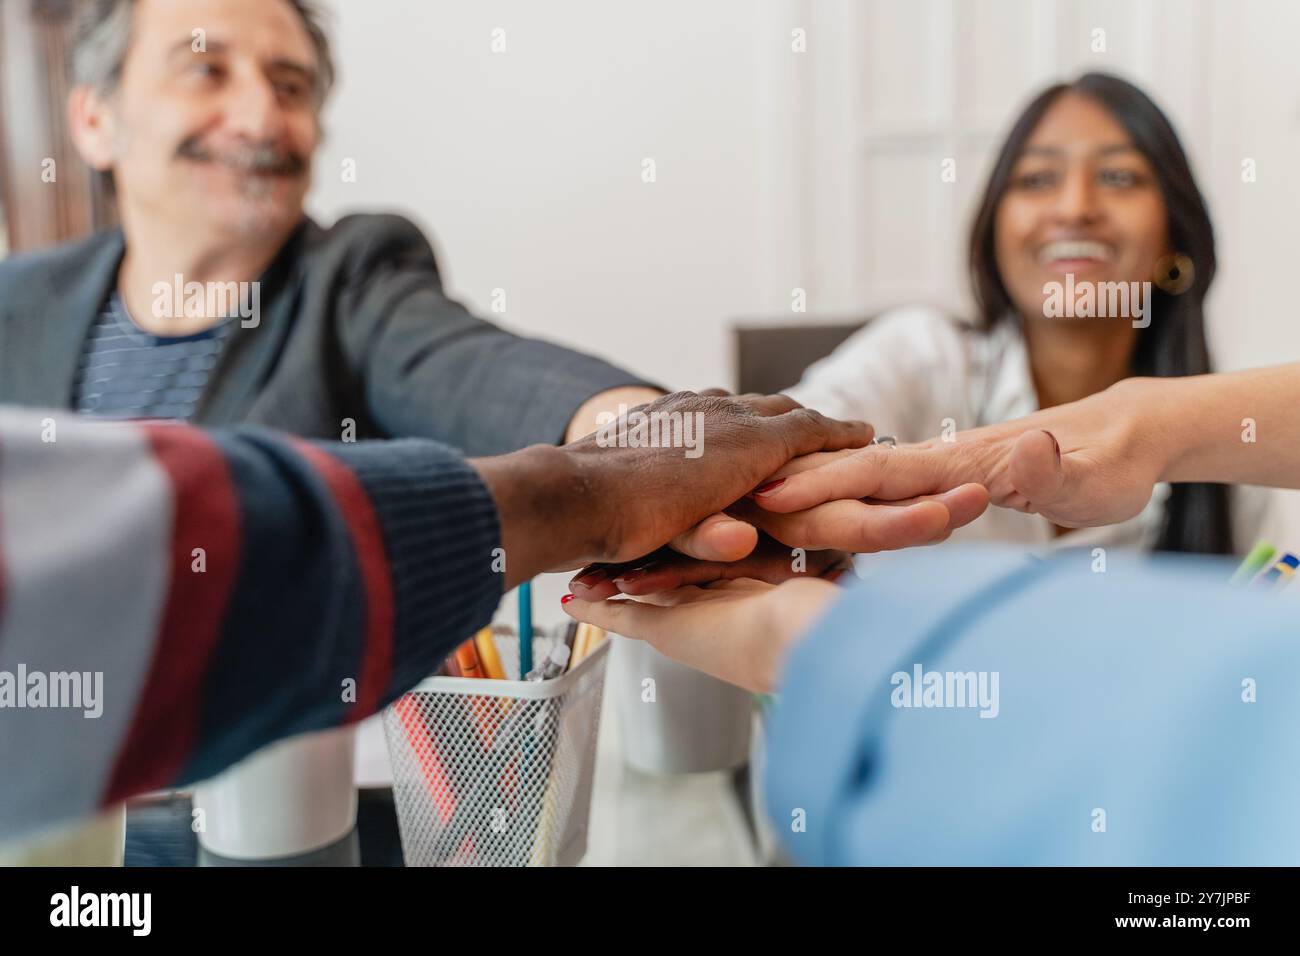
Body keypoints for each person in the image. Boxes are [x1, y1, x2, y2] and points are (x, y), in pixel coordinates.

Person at [0, 391, 985, 845]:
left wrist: (643, 441)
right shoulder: (29, 295)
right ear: (94, 114)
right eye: (206, 68)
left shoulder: (352, 271)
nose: (259, 115)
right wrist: (589, 492)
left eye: (292, 83)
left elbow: (485, 360)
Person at [559, 363, 1300, 864]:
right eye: (1038, 176)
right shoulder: (930, 358)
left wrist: (820, 643)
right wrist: (1147, 422)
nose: (1075, 205)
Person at [783, 72, 1265, 557]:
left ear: (1175, 240)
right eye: (1037, 179)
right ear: (994, 232)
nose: (1075, 208)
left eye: (1118, 177)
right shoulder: (920, 355)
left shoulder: (1234, 446)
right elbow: (790, 440)